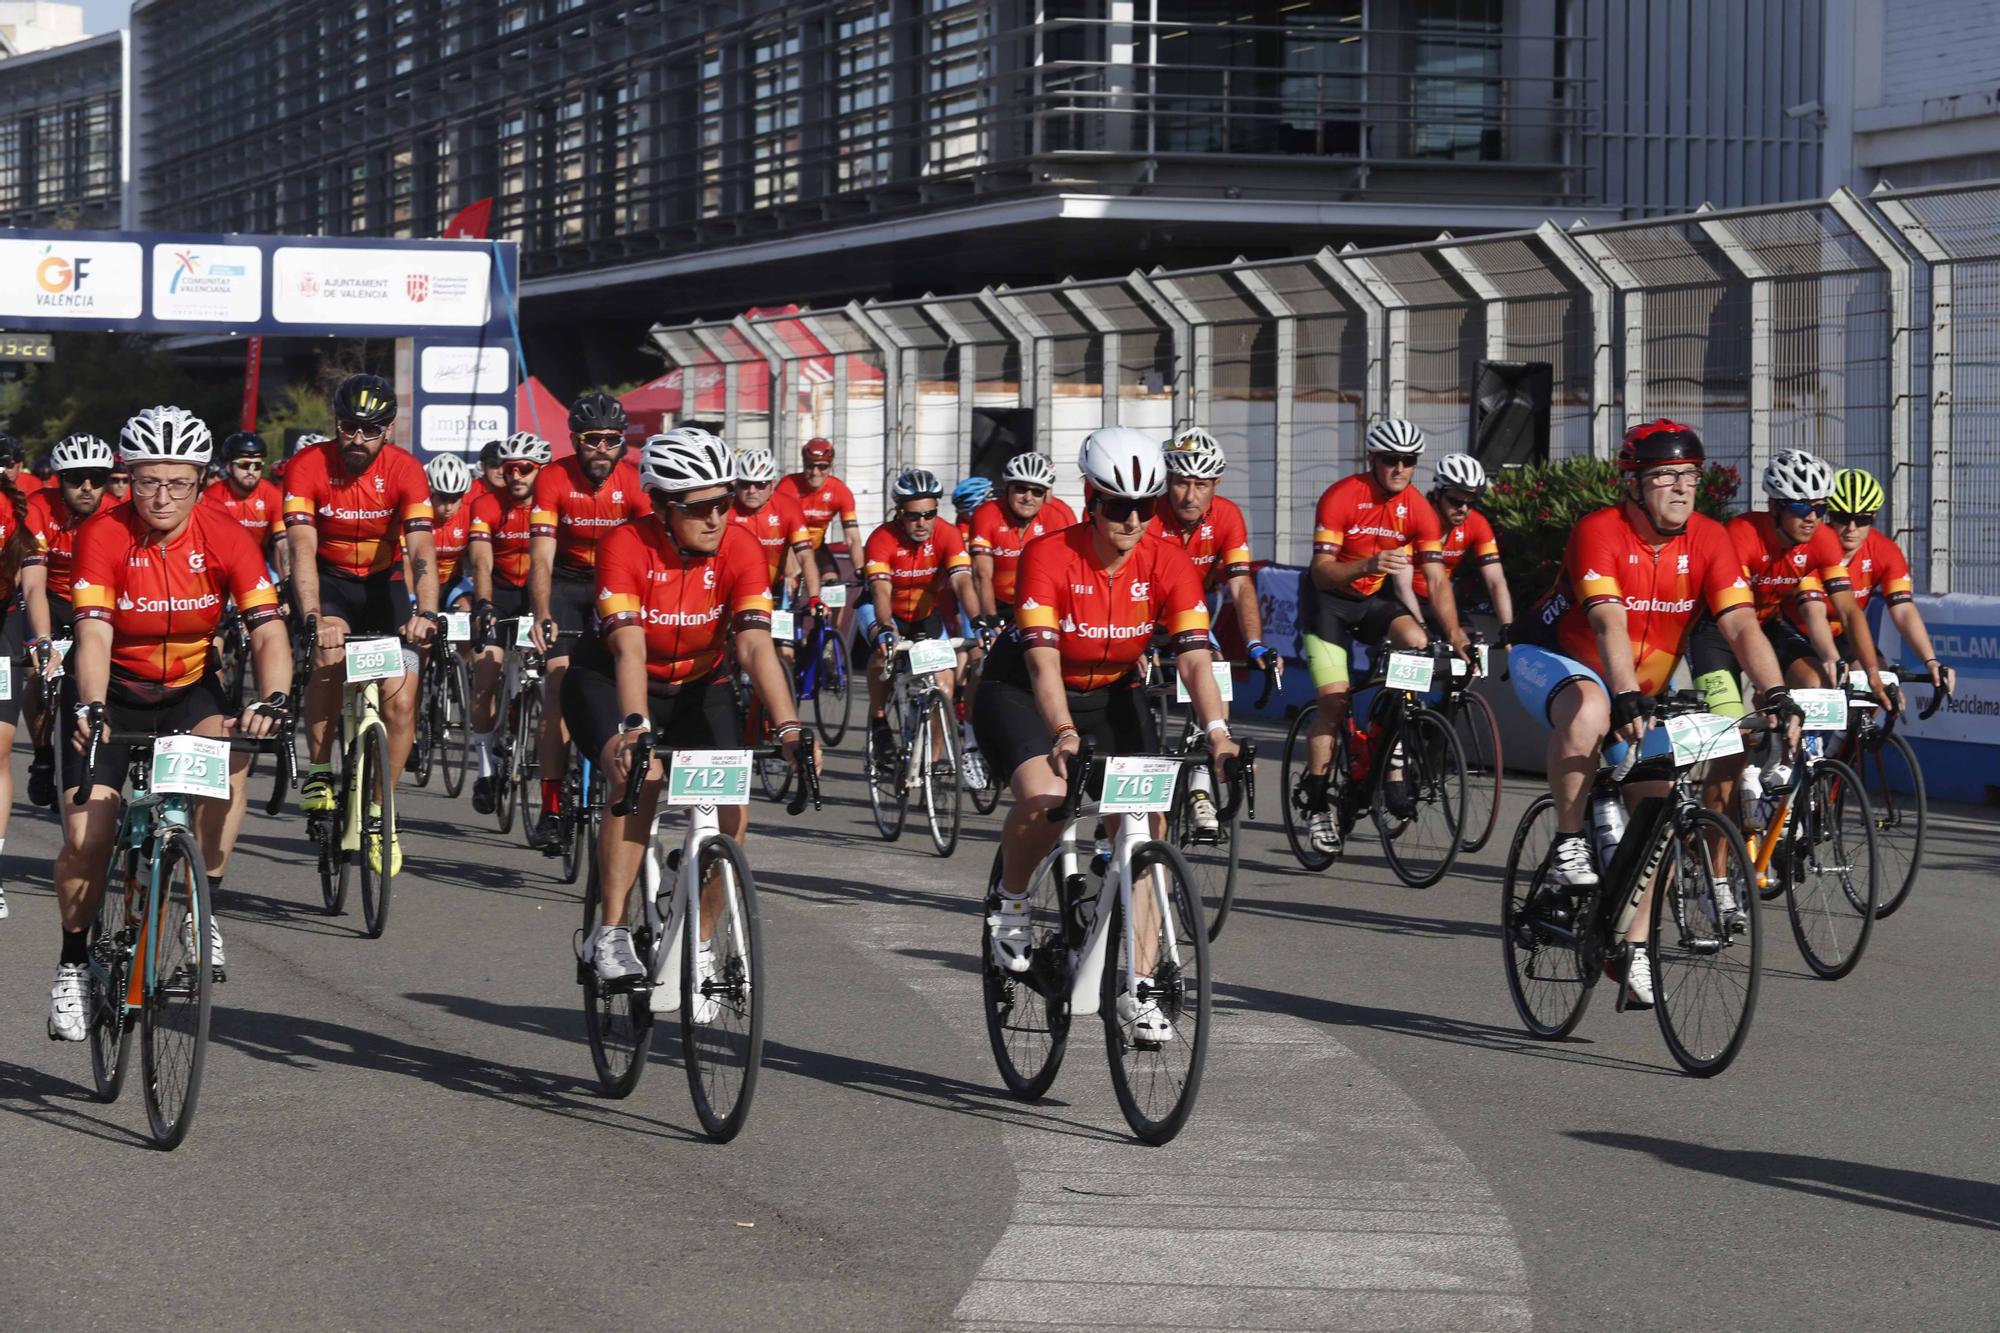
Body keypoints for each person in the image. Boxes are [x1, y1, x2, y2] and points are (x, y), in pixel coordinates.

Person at [1510, 420, 1799, 1007]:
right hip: (1556, 660)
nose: (1680, 488)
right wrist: (1623, 692)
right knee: (1590, 708)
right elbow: (1607, 620)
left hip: (1636, 686)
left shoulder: (1711, 540)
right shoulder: (1601, 530)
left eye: (1689, 475)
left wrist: (1773, 693)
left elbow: (1742, 624)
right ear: (1633, 486)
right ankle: (1569, 842)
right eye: (1663, 476)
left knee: (1660, 808)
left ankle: (1633, 946)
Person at [971, 425, 1238, 1043]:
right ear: (1091, 500)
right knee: (1047, 800)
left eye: (1146, 507)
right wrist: (1061, 731)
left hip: (1113, 693)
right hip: (1026, 692)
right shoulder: (1048, 555)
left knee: (1145, 826)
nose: (1133, 520)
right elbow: (1040, 660)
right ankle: (1011, 903)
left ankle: (1140, 984)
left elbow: (1195, 656)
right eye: (1119, 506)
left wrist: (1218, 731)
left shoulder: (1167, 559)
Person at [46, 406, 289, 1041]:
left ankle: (199, 898)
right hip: (111, 691)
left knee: (231, 761)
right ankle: (73, 964)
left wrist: (276, 697)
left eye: (178, 482)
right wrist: (91, 706)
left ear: (201, 480)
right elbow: (94, 631)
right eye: (148, 480)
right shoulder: (104, 534)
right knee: (88, 839)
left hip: (186, 690)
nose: (162, 496)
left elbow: (267, 629)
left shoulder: (228, 535)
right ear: (127, 477)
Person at [564, 427, 806, 983]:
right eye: (700, 508)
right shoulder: (626, 545)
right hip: (612, 681)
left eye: (724, 501)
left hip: (699, 684)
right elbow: (628, 647)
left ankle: (696, 943)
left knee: (730, 812)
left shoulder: (742, 546)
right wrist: (633, 730)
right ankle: (613, 931)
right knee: (641, 779)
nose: (717, 518)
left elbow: (752, 644)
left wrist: (790, 727)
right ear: (663, 507)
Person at [284, 374, 439, 873]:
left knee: (403, 696)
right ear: (336, 424)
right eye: (349, 426)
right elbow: (302, 548)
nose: (357, 438)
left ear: (388, 431)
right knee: (328, 656)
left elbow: (420, 550)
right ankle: (321, 769)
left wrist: (427, 612)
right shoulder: (309, 465)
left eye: (370, 430)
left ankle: (379, 814)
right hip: (328, 582)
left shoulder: (406, 471)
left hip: (382, 586)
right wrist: (312, 615)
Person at [1295, 418, 1472, 856]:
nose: (1399, 468)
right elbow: (1320, 570)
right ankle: (1319, 805)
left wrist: (1456, 636)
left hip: (1370, 604)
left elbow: (1437, 580)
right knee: (1334, 704)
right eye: (1390, 460)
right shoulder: (1342, 496)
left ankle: (1390, 743)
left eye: (1408, 461)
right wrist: (1369, 565)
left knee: (1418, 642)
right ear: (1371, 459)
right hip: (1327, 602)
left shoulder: (1420, 511)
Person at [525, 392, 652, 847]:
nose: (602, 448)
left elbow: (650, 548)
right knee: (558, 686)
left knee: (627, 670)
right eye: (592, 439)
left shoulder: (635, 482)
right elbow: (540, 558)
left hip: (614, 582)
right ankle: (552, 807)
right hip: (563, 581)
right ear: (576, 441)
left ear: (622, 443)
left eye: (611, 440)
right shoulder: (553, 478)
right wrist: (541, 612)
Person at [1146, 426, 1277, 835]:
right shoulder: (1146, 513)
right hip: (1140, 613)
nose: (1189, 495)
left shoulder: (1227, 517)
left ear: (1215, 484)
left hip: (1189, 615)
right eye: (1182, 483)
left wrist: (1255, 642)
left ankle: (1202, 784)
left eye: (1200, 484)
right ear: (1168, 481)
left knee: (1215, 668)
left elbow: (1240, 585)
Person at [21, 433, 118, 809]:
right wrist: (43, 641)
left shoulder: (115, 511)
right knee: (38, 673)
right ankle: (44, 756)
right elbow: (32, 583)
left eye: (97, 477)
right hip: (50, 597)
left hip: (95, 600)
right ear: (60, 480)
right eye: (77, 478)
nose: (88, 487)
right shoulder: (38, 507)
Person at [861, 468, 976, 770]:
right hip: (882, 609)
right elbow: (881, 592)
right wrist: (887, 627)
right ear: (900, 512)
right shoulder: (882, 538)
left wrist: (979, 621)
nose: (922, 523)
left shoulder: (948, 535)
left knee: (945, 687)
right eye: (913, 516)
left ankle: (931, 763)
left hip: (924, 616)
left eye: (929, 514)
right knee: (880, 650)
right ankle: (879, 719)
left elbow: (963, 581)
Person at [467, 431, 548, 815]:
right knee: (485, 680)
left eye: (525, 468)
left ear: (539, 471)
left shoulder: (552, 506)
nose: (515, 475)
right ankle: (485, 769)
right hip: (498, 593)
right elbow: (481, 560)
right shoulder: (485, 504)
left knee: (550, 679)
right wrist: (483, 603)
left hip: (538, 596)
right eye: (508, 467)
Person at [1822, 468, 1953, 696]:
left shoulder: (1884, 551)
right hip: (1800, 630)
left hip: (1843, 631)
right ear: (1828, 515)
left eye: (1861, 519)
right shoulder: (1815, 546)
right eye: (1842, 518)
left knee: (1882, 693)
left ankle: (1850, 733)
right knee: (1812, 689)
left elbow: (1903, 610)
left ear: (1873, 518)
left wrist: (1930, 661)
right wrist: (1829, 657)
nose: (1851, 528)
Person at [1414, 452, 1513, 642]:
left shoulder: (1477, 524)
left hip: (1441, 601)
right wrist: (1421, 624)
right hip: (1404, 599)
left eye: (1471, 503)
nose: (1463, 509)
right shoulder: (1418, 518)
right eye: (1456, 501)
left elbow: (1496, 581)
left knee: (1473, 646)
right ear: (1437, 493)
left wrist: (1507, 628)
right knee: (1416, 642)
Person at [967, 451, 1076, 624]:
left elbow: (1067, 573)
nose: (1028, 497)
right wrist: (991, 619)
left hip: (1041, 602)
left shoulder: (1058, 516)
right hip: (999, 603)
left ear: (1045, 495)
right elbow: (982, 574)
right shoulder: (986, 514)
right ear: (1007, 487)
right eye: (1020, 489)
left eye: (1037, 492)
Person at [728, 446, 822, 608]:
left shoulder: (787, 507)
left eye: (760, 484)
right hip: (734, 587)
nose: (752, 490)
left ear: (772, 485)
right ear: (736, 484)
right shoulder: (726, 508)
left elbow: (805, 556)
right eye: (745, 484)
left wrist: (814, 597)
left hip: (776, 585)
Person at [774, 435, 864, 594]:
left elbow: (852, 538)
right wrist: (788, 571)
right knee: (790, 584)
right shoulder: (788, 487)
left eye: (822, 467)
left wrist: (859, 569)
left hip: (816, 546)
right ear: (803, 464)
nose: (815, 472)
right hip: (789, 545)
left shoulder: (840, 491)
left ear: (830, 467)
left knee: (834, 588)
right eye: (810, 466)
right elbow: (778, 532)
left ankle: (831, 620)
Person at [202, 431, 290, 580]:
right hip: (219, 567)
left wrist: (288, 584)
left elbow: (283, 545)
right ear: (229, 467)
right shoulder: (212, 497)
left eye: (257, 465)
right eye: (244, 465)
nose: (251, 471)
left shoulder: (272, 495)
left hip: (260, 564)